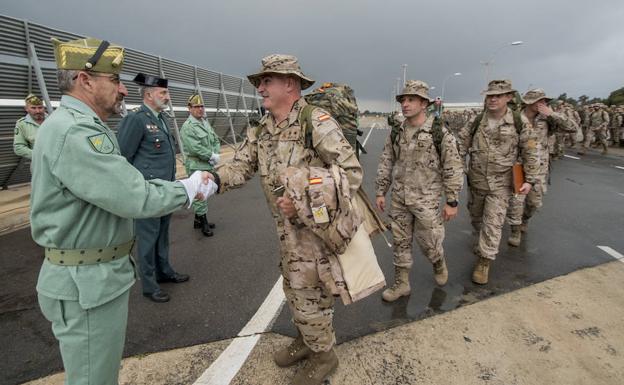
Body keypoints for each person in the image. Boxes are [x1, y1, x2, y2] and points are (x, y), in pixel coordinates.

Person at [31, 37, 215, 385]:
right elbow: (131, 193)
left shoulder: (79, 126)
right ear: (85, 80)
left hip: (93, 277)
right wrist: (190, 188)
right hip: (85, 283)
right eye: (114, 80)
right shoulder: (74, 131)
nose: (123, 90)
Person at [212, 54, 362, 385]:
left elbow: (350, 175)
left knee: (309, 295)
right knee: (293, 290)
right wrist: (210, 180)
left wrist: (301, 199)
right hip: (285, 232)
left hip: (315, 231)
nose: (260, 88)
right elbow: (241, 165)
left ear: (289, 84)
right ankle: (309, 341)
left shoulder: (317, 123)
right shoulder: (262, 130)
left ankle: (325, 355)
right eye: (260, 82)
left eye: (267, 81)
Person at [375, 80, 463, 301]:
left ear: (424, 103)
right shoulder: (397, 132)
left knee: (430, 243)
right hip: (400, 198)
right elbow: (387, 160)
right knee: (400, 241)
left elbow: (453, 166)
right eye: (403, 99)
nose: (405, 104)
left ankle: (438, 262)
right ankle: (402, 283)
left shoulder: (438, 132)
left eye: (411, 99)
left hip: (426, 200)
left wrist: (452, 202)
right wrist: (380, 191)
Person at [117, 73, 191, 303]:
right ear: (149, 94)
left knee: (162, 235)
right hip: (147, 193)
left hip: (165, 190)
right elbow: (123, 156)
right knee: (147, 239)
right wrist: (133, 189)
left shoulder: (161, 119)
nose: (167, 97)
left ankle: (164, 271)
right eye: (163, 93)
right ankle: (149, 285)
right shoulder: (136, 119)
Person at [457, 80, 540, 285]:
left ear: (509, 97)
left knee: (493, 223)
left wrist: (529, 179)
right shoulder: (476, 121)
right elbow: (460, 145)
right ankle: (482, 241)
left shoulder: (519, 123)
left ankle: (484, 261)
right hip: (476, 181)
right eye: (490, 95)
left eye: (498, 95)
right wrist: (458, 169)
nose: (493, 99)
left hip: (502, 184)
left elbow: (530, 151)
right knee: (477, 219)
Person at [506, 89, 577, 246]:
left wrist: (552, 114)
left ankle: (525, 219)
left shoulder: (547, 119)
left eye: (545, 101)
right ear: (529, 102)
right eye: (540, 101)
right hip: (518, 165)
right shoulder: (515, 117)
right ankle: (515, 230)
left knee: (534, 203)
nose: (543, 104)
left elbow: (573, 128)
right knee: (516, 201)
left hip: (539, 167)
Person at [180, 93, 221, 236]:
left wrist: (215, 154)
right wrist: (210, 155)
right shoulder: (188, 127)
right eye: (196, 107)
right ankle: (203, 223)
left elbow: (215, 139)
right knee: (200, 195)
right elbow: (194, 148)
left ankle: (198, 221)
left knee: (206, 192)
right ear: (189, 109)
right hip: (196, 165)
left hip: (207, 164)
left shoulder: (205, 122)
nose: (200, 109)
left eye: (202, 106)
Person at [13, 94, 46, 159]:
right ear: (26, 109)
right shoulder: (22, 124)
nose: (38, 111)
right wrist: (39, 156)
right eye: (33, 108)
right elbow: (18, 147)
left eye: (40, 107)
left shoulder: (52, 119)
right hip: (38, 163)